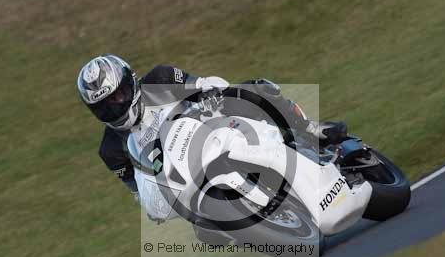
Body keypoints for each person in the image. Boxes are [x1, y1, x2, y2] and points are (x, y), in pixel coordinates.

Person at [77, 54, 347, 203]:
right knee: (205, 232)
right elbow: (138, 191)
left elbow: (204, 84)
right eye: (104, 105)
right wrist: (154, 202)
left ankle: (309, 129)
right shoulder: (110, 150)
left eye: (118, 95)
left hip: (215, 130)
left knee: (253, 90)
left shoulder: (160, 78)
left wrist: (210, 93)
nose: (115, 106)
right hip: (185, 178)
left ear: (131, 82)